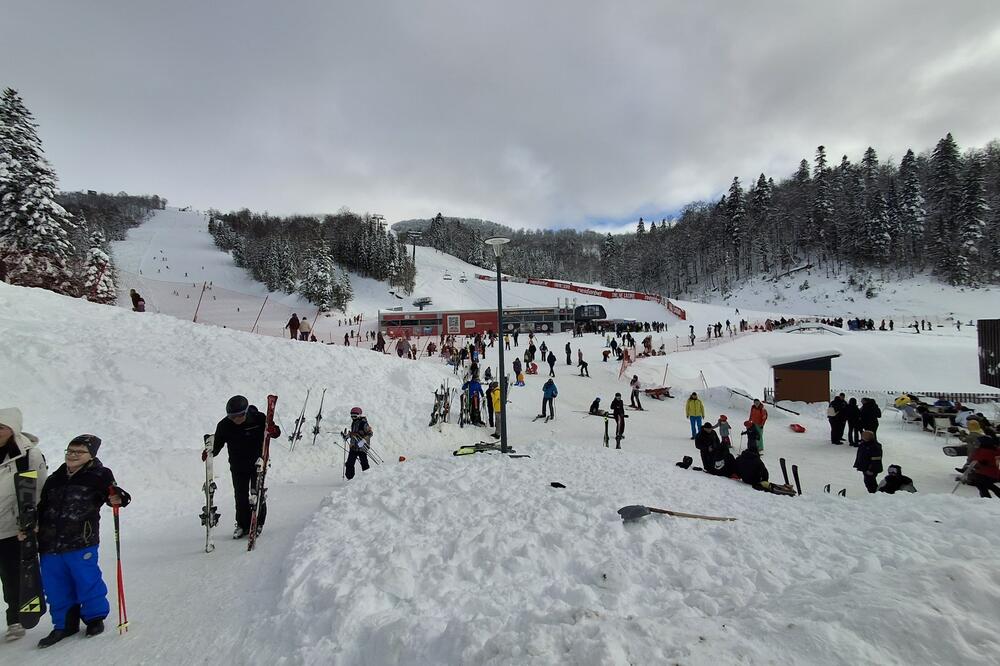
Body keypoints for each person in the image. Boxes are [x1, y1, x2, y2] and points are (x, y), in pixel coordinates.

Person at [35, 434, 130, 648]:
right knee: (54, 586)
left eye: (79, 452)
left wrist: (119, 498)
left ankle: (94, 618)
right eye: (70, 451)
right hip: (50, 543)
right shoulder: (55, 478)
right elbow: (42, 507)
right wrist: (34, 526)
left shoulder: (99, 475)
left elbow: (114, 494)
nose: (73, 455)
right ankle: (64, 624)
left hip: (81, 541)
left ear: (90, 456)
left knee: (86, 579)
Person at [0, 408, 48, 642]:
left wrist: (33, 522)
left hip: (12, 529)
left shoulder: (29, 455)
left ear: (13, 428)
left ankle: (15, 619)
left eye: (1, 427)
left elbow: (38, 490)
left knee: (12, 576)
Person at [206, 396, 280, 539]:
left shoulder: (258, 419)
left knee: (256, 492)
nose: (236, 419)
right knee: (240, 496)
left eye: (239, 416)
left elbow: (275, 433)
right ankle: (242, 525)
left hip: (257, 464)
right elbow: (217, 446)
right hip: (237, 465)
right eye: (232, 416)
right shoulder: (224, 425)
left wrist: (272, 429)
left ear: (245, 412)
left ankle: (257, 523)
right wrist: (209, 451)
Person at [345, 408, 374, 480]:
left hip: (362, 447)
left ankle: (367, 478)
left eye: (355, 416)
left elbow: (370, 433)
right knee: (349, 463)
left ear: (359, 415)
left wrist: (364, 440)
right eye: (352, 416)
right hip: (353, 447)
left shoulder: (364, 423)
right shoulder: (354, 422)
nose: (353, 418)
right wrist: (348, 436)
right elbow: (354, 433)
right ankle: (350, 478)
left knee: (364, 463)